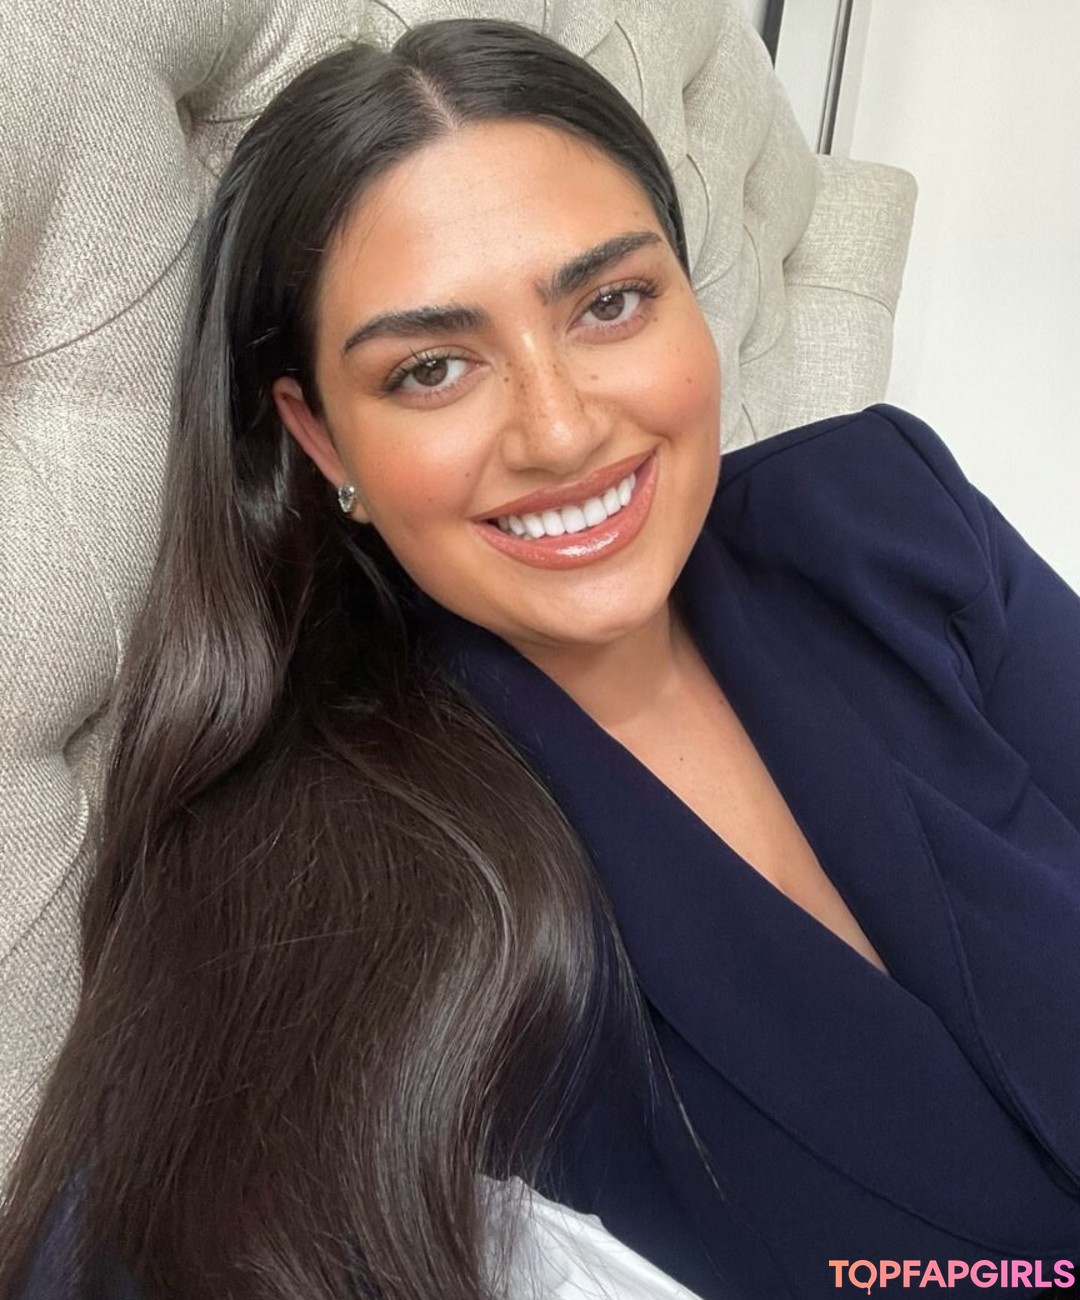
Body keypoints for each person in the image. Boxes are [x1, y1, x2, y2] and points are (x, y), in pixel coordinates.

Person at [2, 16, 1079, 1300]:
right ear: (324, 439)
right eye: (432, 368)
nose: (562, 432)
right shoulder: (327, 882)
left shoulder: (887, 511)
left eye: (611, 303)